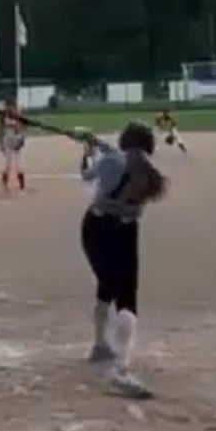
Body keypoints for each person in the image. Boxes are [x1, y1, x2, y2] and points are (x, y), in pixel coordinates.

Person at [73, 120, 169, 399]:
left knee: (106, 285)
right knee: (126, 297)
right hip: (125, 231)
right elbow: (124, 160)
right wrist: (98, 143)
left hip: (95, 228)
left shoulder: (110, 161)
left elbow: (86, 174)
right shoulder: (150, 175)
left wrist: (88, 151)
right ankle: (120, 366)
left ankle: (100, 344)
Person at [0, 100, 28, 192]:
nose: (10, 108)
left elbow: (24, 128)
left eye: (12, 106)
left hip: (17, 141)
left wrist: (22, 139)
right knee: (8, 166)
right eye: (8, 106)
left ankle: (22, 186)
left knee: (19, 166)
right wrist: (0, 144)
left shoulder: (18, 116)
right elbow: (0, 131)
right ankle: (5, 185)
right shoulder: (3, 116)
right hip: (7, 141)